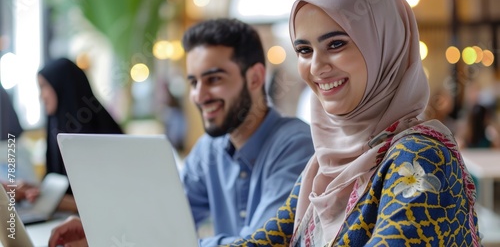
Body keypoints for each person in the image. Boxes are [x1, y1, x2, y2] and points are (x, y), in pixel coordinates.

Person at [226, 0, 481, 245]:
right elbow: (267, 239)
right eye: (304, 50)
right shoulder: (324, 164)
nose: (317, 67)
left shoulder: (420, 156)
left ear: (384, 45)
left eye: (336, 44)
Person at [48, 19, 315, 247]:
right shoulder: (209, 149)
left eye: (214, 79)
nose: (199, 95)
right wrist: (102, 231)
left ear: (255, 78)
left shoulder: (296, 145)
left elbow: (262, 243)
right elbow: (167, 216)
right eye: (193, 82)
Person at [37, 57, 123, 212]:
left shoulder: (98, 132)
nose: (41, 96)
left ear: (62, 86)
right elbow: (57, 182)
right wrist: (38, 191)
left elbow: (109, 204)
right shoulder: (56, 127)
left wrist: (50, 199)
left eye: (44, 87)